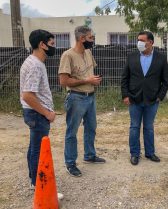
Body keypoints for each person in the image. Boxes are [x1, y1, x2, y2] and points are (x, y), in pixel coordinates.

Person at [58, 26, 105, 177]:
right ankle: (70, 163)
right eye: (91, 38)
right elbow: (63, 81)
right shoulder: (68, 55)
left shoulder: (88, 52)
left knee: (91, 127)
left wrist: (94, 80)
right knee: (72, 131)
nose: (93, 40)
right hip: (76, 97)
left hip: (90, 96)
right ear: (81, 39)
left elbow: (90, 73)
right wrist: (86, 80)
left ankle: (89, 155)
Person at [121, 31, 168, 165]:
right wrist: (125, 95)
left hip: (152, 99)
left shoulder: (161, 58)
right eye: (138, 40)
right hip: (134, 98)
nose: (139, 43)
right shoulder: (131, 56)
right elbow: (125, 78)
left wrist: (160, 96)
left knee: (148, 127)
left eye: (142, 40)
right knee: (134, 127)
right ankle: (134, 154)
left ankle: (150, 153)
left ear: (151, 42)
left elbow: (165, 80)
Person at [20, 29, 56, 188]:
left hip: (34, 113)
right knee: (38, 150)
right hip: (37, 114)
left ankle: (33, 179)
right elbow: (27, 95)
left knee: (34, 147)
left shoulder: (33, 62)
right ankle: (38, 184)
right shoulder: (35, 65)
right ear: (42, 44)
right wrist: (47, 113)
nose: (54, 47)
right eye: (51, 44)